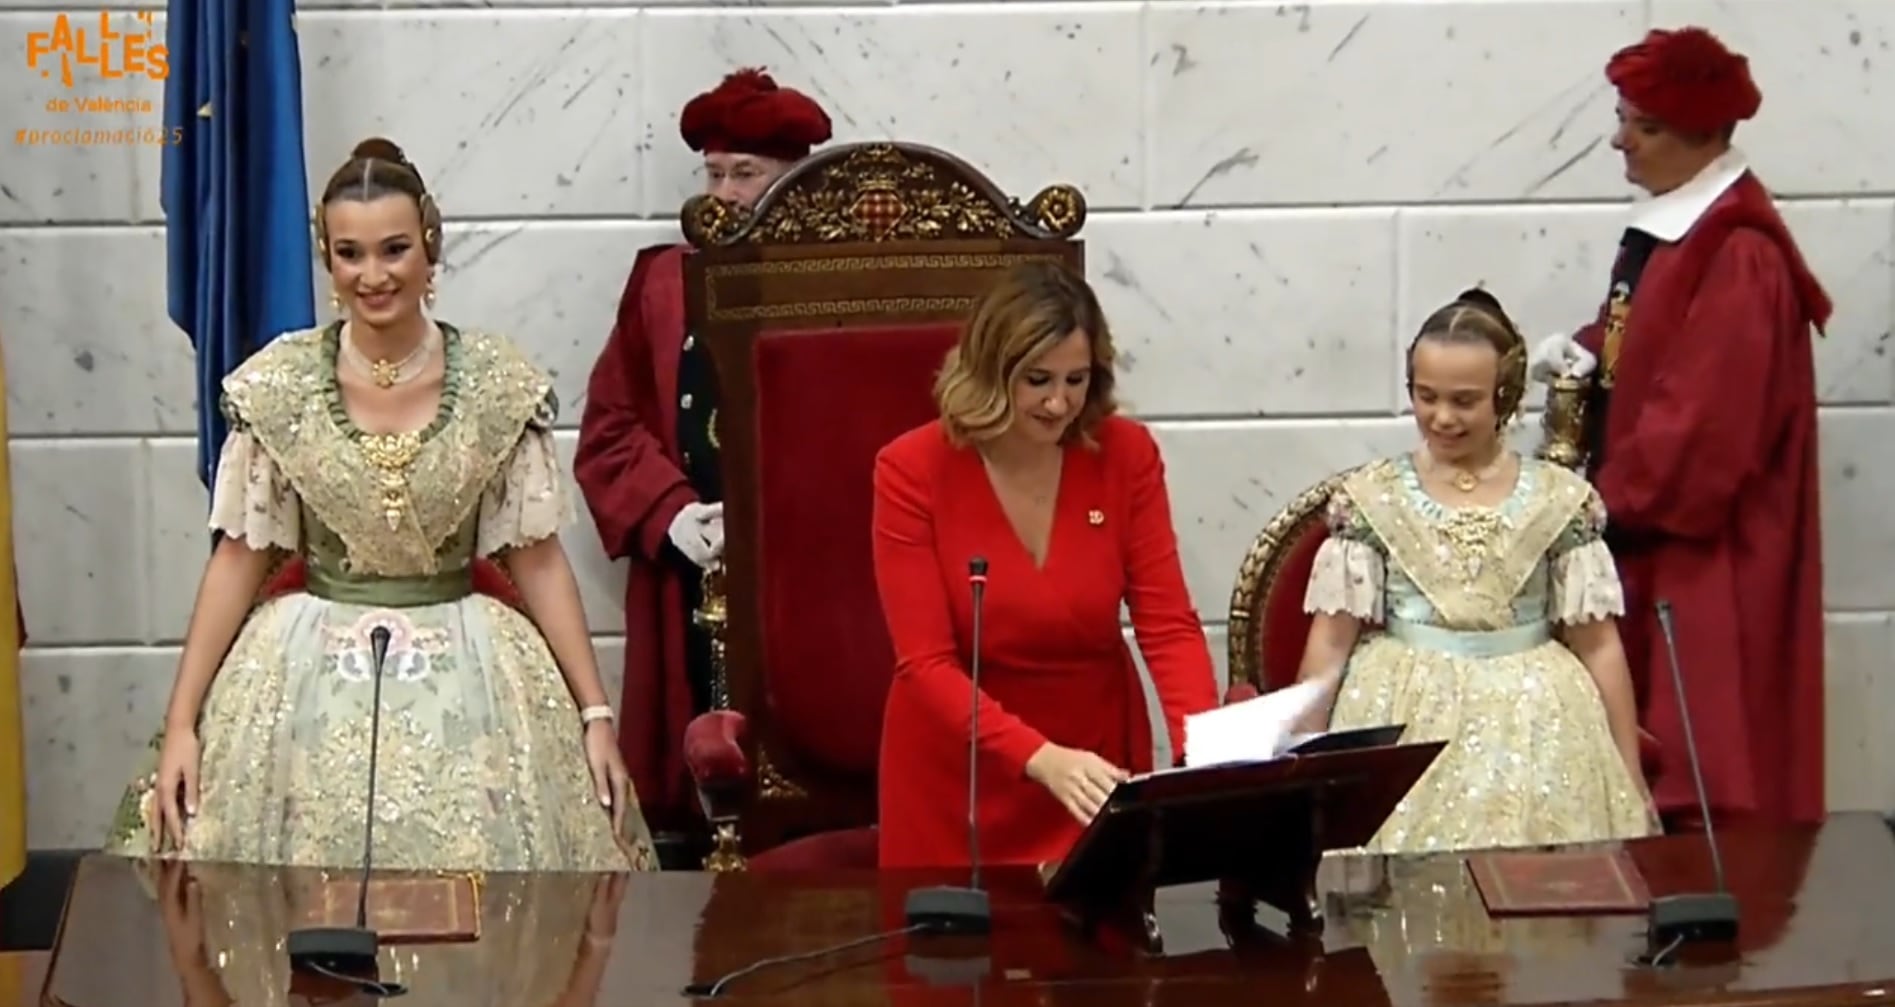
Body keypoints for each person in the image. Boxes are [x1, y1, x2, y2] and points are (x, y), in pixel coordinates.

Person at [101, 138, 657, 873]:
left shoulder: (495, 381)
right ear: (327, 260)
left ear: (430, 247)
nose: (372, 275)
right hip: (300, 673)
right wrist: (182, 723)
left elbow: (539, 561)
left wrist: (594, 716)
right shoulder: (282, 384)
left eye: (393, 249)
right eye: (349, 253)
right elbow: (239, 559)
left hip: (475, 668)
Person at [1528, 26, 1830, 828]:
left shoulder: (1738, 254)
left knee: (1700, 775)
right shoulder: (1681, 231)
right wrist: (1588, 355)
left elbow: (1701, 429)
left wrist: (1591, 505)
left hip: (1703, 562)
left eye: (1645, 125)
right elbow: (1648, 344)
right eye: (1624, 117)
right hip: (1654, 542)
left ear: (1705, 135)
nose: (1619, 139)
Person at [870, 261, 1221, 869]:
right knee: (948, 962)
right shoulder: (910, 469)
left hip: (1095, 772)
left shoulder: (1126, 455)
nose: (1060, 402)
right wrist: (1042, 758)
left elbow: (1167, 625)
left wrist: (1208, 755)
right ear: (989, 370)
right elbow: (924, 664)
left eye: (1077, 380)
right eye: (1037, 379)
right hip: (961, 780)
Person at [1295, 289, 1655, 856]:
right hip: (1404, 713)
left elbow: (1600, 646)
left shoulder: (1560, 502)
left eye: (1464, 401)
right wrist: (1303, 767)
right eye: (1426, 396)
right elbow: (1330, 646)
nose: (1441, 417)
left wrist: (1629, 772)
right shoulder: (1372, 501)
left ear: (1503, 397)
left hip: (1540, 718)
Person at [573, 68, 833, 829]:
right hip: (691, 573)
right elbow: (610, 423)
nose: (721, 194)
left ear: (796, 181)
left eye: (744, 175)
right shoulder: (661, 282)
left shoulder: (837, 282)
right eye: (713, 173)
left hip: (805, 576)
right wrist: (671, 512)